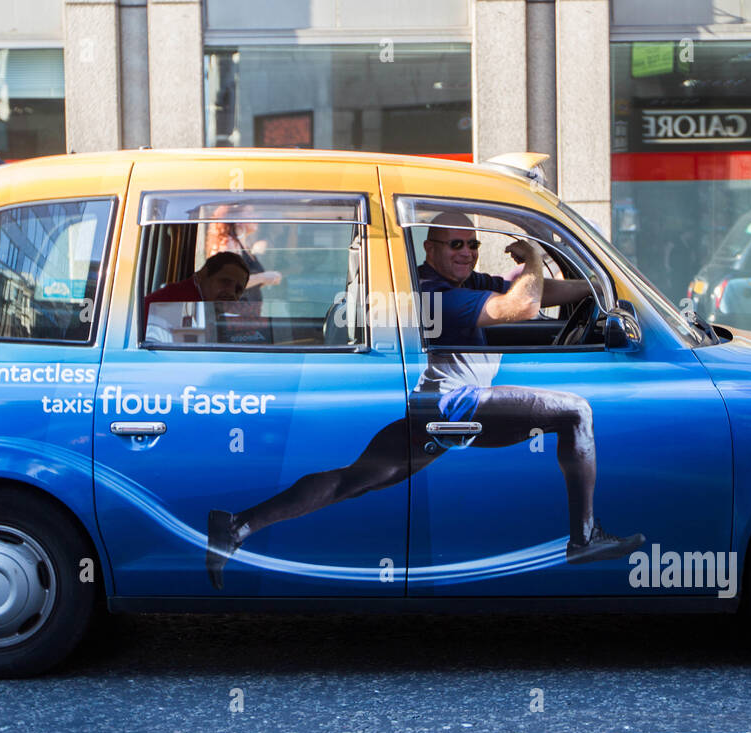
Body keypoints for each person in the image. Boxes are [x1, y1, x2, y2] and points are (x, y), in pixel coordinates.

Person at [204, 212, 644, 589]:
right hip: (456, 405)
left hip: (432, 406)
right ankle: (584, 539)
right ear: (430, 248)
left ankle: (236, 525)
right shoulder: (434, 290)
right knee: (576, 410)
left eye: (473, 244)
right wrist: (531, 258)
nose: (467, 252)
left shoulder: (468, 282)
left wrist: (595, 287)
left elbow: (542, 293)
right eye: (456, 244)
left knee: (351, 480)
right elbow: (522, 309)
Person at [143, 251, 249, 337]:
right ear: (201, 276)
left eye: (238, 290)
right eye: (225, 282)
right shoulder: (176, 304)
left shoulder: (204, 307)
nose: (231, 293)